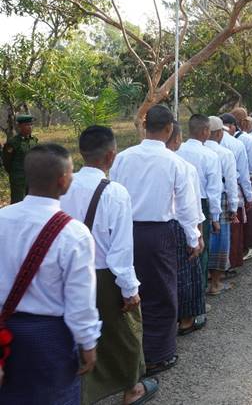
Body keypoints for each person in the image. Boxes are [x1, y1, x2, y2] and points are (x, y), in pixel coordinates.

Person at [60, 127, 157, 405]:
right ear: (111, 155)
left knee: (77, 333)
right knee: (125, 332)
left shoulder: (62, 186)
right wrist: (129, 289)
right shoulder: (115, 193)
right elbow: (121, 249)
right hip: (104, 276)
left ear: (81, 152)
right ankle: (131, 389)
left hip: (68, 273)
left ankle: (80, 393)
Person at [0, 144, 100, 403]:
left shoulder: (2, 219)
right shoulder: (74, 233)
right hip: (50, 338)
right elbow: (80, 300)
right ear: (63, 180)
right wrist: (88, 342)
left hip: (4, 334)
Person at [110, 104, 201, 375]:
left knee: (129, 291)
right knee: (162, 293)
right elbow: (185, 207)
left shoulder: (123, 158)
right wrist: (193, 237)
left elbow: (112, 195)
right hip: (159, 234)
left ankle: (130, 353)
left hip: (125, 230)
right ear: (170, 128)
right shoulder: (174, 162)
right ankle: (157, 356)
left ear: (145, 126)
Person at [165, 122, 208, 341]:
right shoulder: (183, 166)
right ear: (176, 139)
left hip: (143, 229)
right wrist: (196, 236)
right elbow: (190, 206)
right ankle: (186, 320)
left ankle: (166, 320)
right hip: (178, 226)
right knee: (186, 275)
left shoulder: (127, 160)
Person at [177, 114, 223, 302]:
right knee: (200, 250)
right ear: (205, 132)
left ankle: (183, 296)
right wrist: (215, 218)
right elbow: (214, 190)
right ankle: (199, 297)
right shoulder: (210, 155)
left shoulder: (177, 151)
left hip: (177, 205)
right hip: (201, 205)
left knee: (181, 250)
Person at [205, 117, 239, 296]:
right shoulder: (225, 153)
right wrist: (234, 207)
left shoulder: (191, 151)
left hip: (199, 200)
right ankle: (215, 284)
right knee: (220, 241)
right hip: (221, 199)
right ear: (218, 133)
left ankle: (204, 279)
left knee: (203, 239)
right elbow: (231, 183)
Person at [219, 113, 252, 271]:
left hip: (210, 193)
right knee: (233, 229)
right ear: (231, 126)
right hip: (233, 190)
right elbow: (243, 174)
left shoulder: (204, 144)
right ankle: (230, 263)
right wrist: (249, 197)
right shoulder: (236, 144)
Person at [231, 108, 252, 259]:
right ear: (243, 123)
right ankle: (247, 246)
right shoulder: (249, 141)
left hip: (232, 185)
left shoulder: (224, 140)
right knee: (248, 217)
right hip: (247, 183)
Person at [2, 114, 38, 203]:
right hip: (18, 179)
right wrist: (15, 174)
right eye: (26, 125)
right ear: (19, 126)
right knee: (18, 202)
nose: (30, 127)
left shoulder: (34, 140)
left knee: (31, 202)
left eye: (31, 124)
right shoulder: (13, 143)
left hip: (32, 178)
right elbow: (6, 161)